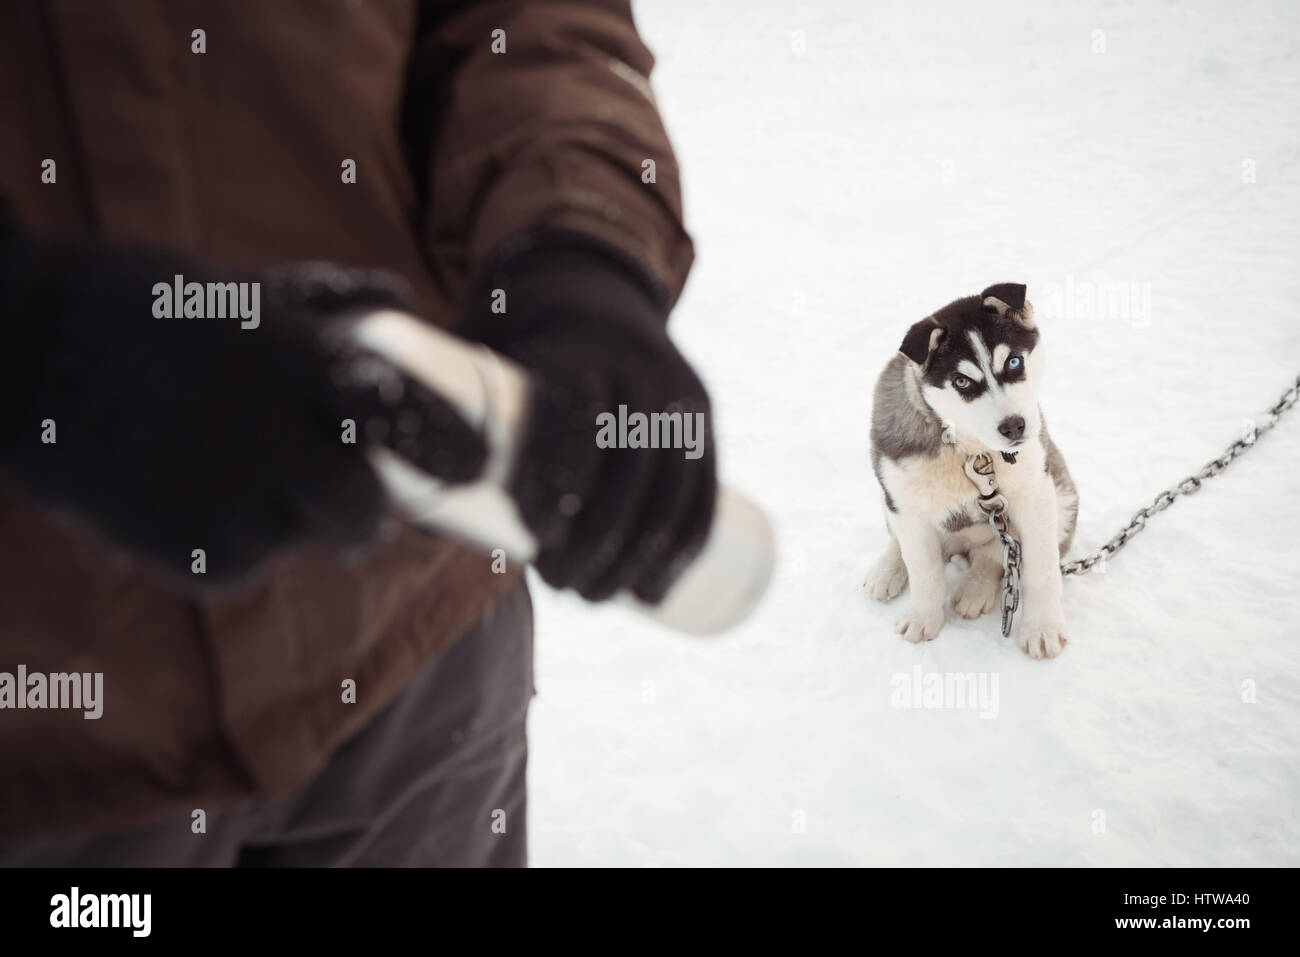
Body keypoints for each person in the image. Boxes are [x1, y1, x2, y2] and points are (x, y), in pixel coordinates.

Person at [0, 0, 714, 866]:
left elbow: (526, 19)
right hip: (49, 761)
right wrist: (36, 340)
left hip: (416, 634)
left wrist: (581, 247)